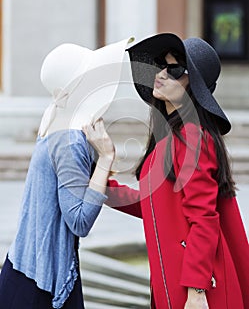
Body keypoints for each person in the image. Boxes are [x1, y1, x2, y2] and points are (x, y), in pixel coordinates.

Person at [83, 33, 249, 309]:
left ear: (194, 86)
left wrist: (197, 291)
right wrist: (101, 180)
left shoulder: (194, 137)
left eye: (174, 70)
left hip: (198, 289)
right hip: (171, 280)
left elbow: (204, 219)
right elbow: (152, 204)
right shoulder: (170, 136)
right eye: (161, 65)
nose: (160, 74)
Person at [0, 37, 133, 309]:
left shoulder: (53, 114)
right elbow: (80, 221)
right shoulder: (69, 139)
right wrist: (106, 157)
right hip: (43, 284)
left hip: (24, 267)